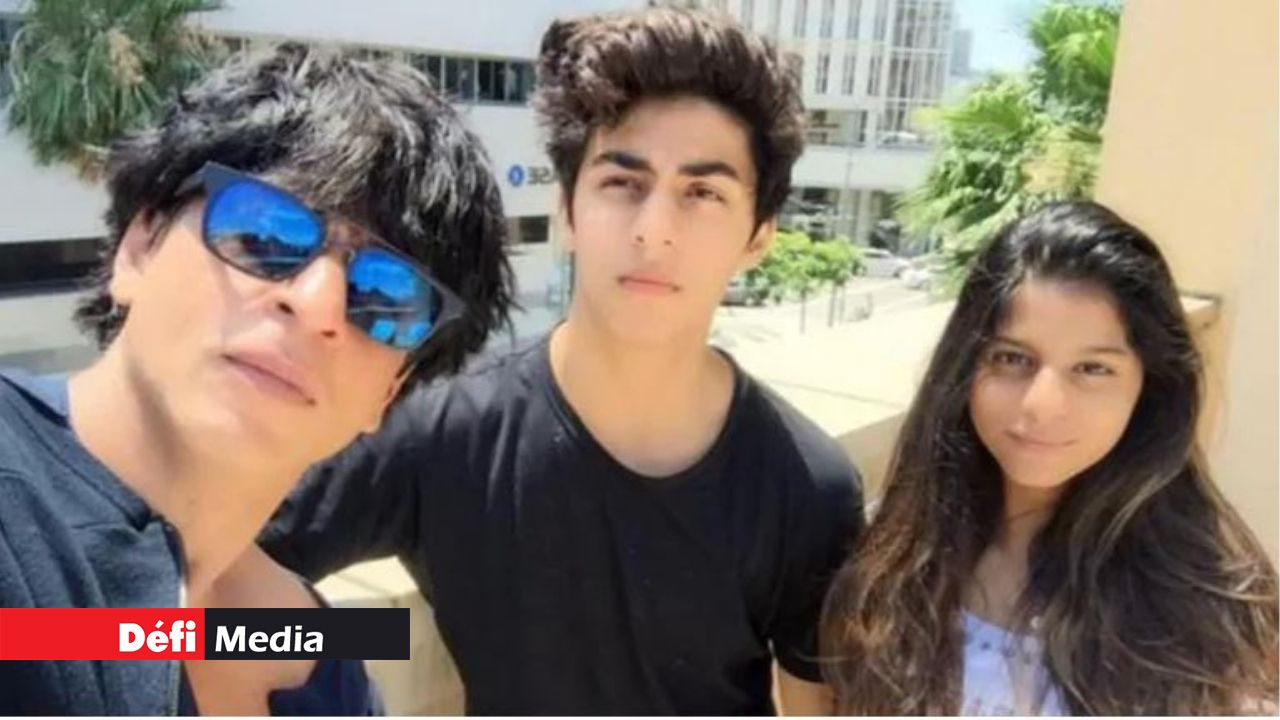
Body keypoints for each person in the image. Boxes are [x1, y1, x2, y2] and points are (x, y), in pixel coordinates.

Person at [261, 8, 863, 715]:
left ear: (758, 235)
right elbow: (161, 614)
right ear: (568, 210)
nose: (654, 231)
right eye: (622, 183)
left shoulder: (807, 486)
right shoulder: (442, 426)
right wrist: (351, 649)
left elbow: (818, 705)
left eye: (703, 193)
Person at [0, 44, 513, 715]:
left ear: (388, 394)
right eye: (264, 234)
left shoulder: (323, 666)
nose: (318, 302)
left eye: (386, 296)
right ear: (139, 246)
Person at [820, 201, 1279, 715]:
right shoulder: (892, 559)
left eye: (1092, 368)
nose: (1042, 405)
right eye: (1012, 359)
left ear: (1149, 386)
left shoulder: (1213, 605)